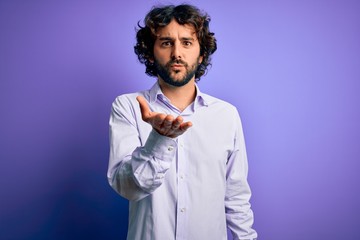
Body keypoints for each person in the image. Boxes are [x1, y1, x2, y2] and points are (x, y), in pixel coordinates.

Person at [107, 4, 257, 240]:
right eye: (166, 43)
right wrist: (159, 139)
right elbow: (127, 188)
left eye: (187, 43)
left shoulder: (227, 115)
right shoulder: (128, 107)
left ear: (201, 55)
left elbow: (236, 197)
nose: (177, 53)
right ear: (150, 52)